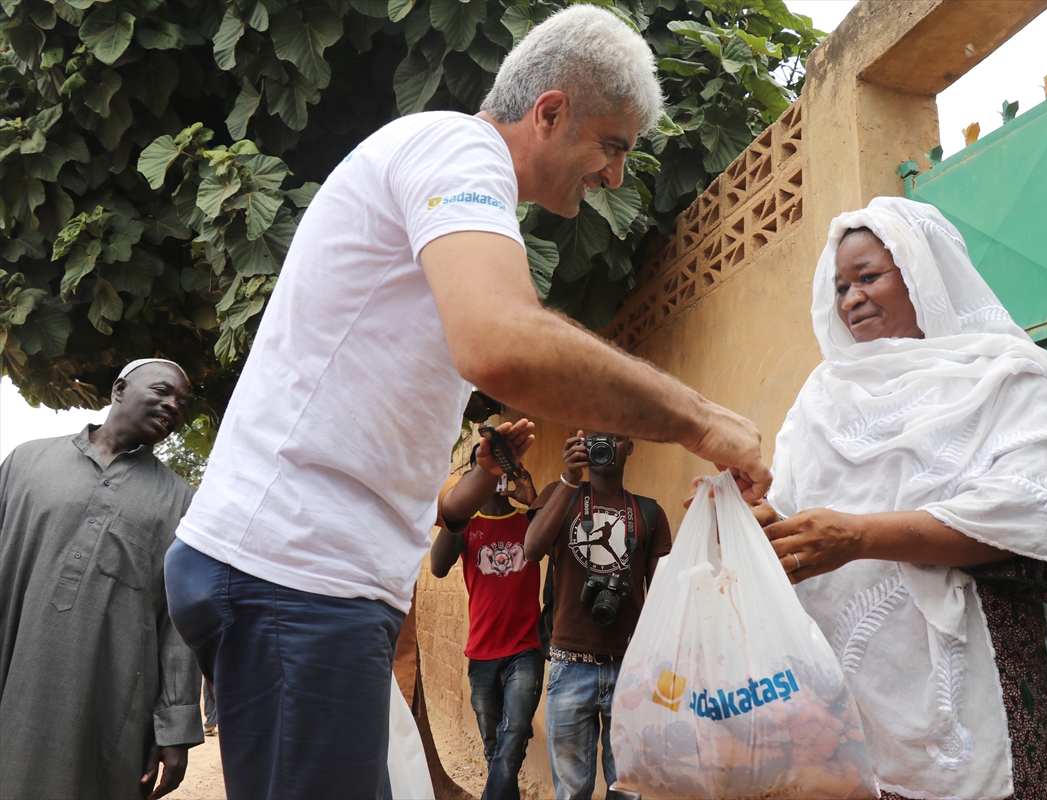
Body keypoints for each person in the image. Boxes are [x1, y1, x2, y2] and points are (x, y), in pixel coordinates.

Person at [163, 5, 770, 798]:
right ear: (549, 111)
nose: (617, 175)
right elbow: (504, 344)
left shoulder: (451, 175)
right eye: (612, 146)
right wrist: (704, 419)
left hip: (311, 581)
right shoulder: (458, 150)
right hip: (295, 576)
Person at [754, 197, 1047, 799]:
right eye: (840, 285)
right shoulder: (825, 398)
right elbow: (798, 515)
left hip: (985, 665)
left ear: (920, 272)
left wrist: (861, 536)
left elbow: (1033, 509)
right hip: (864, 699)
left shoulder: (1003, 377)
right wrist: (755, 517)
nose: (850, 299)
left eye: (868, 277)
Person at [0, 359, 202, 800]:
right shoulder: (26, 461)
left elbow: (178, 624)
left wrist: (175, 726)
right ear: (119, 389)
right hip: (11, 678)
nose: (173, 406)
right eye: (164, 392)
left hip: (107, 706)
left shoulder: (182, 502)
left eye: (183, 403)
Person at [525, 431, 671, 800]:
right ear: (581, 443)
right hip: (569, 665)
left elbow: (664, 596)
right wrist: (568, 479)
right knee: (572, 791)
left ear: (630, 446)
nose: (605, 444)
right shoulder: (561, 495)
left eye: (616, 437)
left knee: (629, 789)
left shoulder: (650, 512)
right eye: (595, 436)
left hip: (631, 669)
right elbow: (531, 548)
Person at [429, 443, 541, 800]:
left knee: (513, 736)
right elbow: (437, 567)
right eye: (486, 470)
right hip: (481, 655)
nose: (495, 476)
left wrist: (534, 501)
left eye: (501, 467)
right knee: (496, 749)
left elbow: (556, 546)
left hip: (526, 650)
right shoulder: (468, 527)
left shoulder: (529, 522)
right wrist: (464, 506)